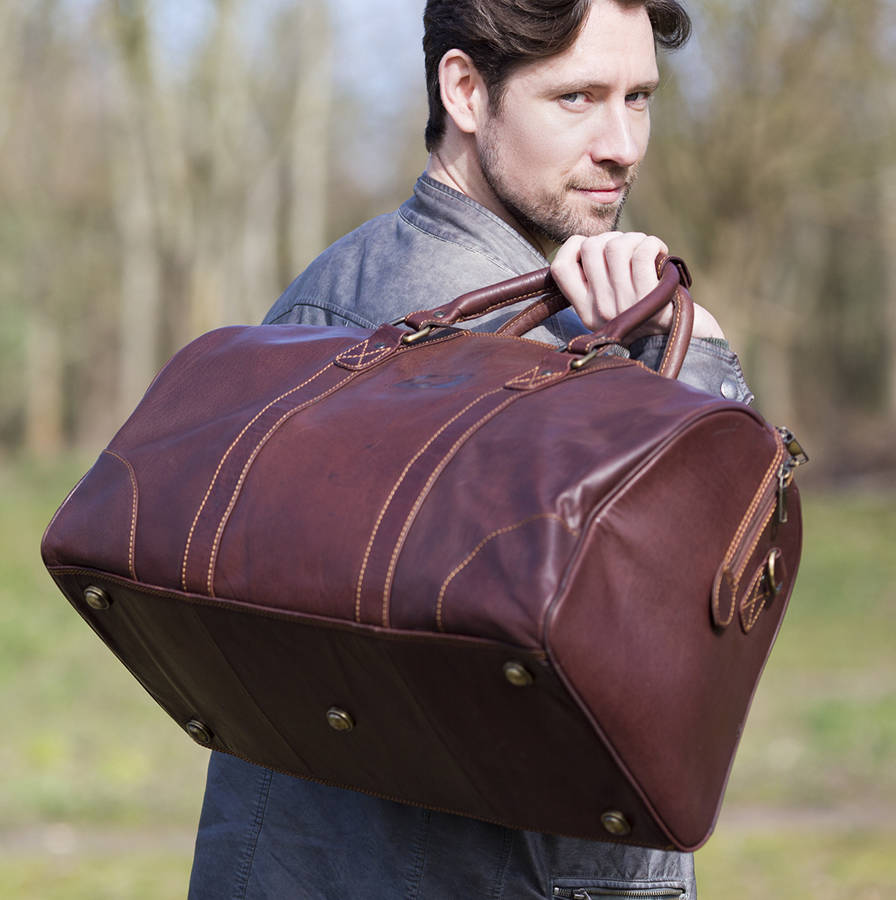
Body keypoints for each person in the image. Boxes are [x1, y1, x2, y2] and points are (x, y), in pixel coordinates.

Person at [188, 1, 751, 897]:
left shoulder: (324, 295)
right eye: (577, 98)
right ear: (465, 90)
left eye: (639, 97)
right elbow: (706, 629)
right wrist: (697, 363)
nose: (623, 144)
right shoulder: (527, 356)